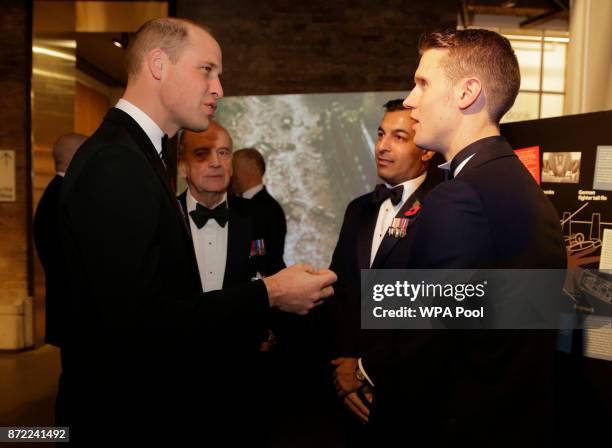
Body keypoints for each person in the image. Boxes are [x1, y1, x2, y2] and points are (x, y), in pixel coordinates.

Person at [58, 18, 335, 442]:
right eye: (206, 70)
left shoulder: (137, 156)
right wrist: (272, 292)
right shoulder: (116, 163)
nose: (218, 88)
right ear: (158, 65)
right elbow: (139, 323)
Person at [333, 29, 566, 446]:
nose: (409, 98)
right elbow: (492, 310)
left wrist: (364, 374)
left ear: (466, 93)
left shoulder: (460, 196)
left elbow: (424, 347)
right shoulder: (517, 185)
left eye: (422, 83)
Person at [328, 99, 436, 444]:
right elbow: (342, 292)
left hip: (409, 391)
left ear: (427, 152)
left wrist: (365, 370)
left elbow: (431, 312)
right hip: (347, 392)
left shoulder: (442, 210)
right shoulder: (358, 209)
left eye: (399, 137)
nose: (383, 146)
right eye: (380, 134)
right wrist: (344, 370)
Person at [33, 133, 86, 348]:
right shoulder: (66, 196)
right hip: (72, 304)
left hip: (68, 303)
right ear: (77, 157)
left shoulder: (57, 191)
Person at [232, 147, 287, 266]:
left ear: (252, 167)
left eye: (234, 166)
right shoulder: (238, 203)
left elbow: (260, 251)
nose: (231, 173)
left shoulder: (269, 209)